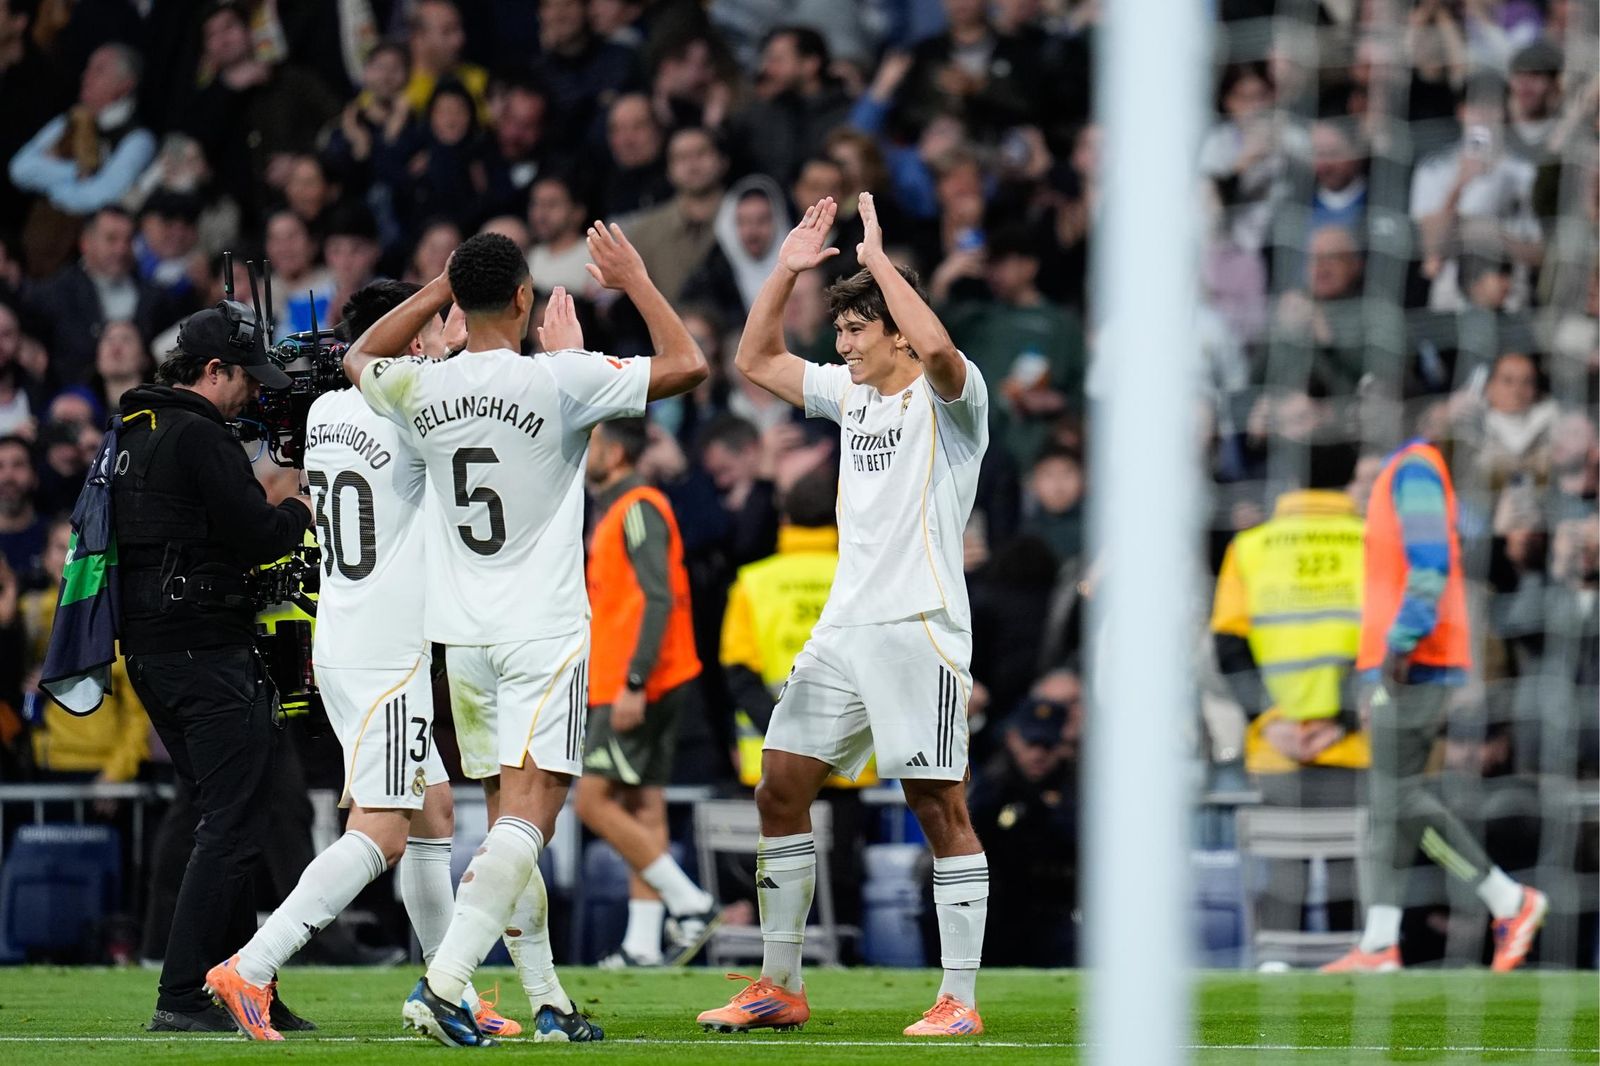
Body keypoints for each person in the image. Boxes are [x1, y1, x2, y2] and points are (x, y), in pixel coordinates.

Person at [341, 228, 706, 1047]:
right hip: (540, 631)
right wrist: (638, 281)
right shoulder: (559, 378)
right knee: (533, 817)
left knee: (509, 814)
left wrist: (437, 289)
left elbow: (358, 355)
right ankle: (444, 984)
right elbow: (689, 365)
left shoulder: (420, 388)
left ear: (459, 301)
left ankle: (548, 1002)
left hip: (460, 639)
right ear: (524, 301)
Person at [696, 193, 990, 1037]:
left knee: (939, 806)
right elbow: (756, 357)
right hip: (843, 630)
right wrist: (787, 269)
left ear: (894, 327)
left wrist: (882, 261)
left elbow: (936, 345)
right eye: (841, 329)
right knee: (779, 787)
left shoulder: (952, 404)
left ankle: (959, 1001)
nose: (843, 344)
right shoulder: (849, 396)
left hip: (919, 627)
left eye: (858, 328)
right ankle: (779, 985)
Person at [201, 281, 514, 1040]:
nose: (450, 337)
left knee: (434, 812)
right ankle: (251, 965)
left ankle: (450, 990)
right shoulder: (411, 406)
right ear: (409, 339)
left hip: (343, 635)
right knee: (384, 830)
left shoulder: (324, 414)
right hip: (388, 649)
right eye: (441, 325)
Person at [109, 300, 313, 1032]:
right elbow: (259, 535)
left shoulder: (133, 431)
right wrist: (301, 511)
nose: (253, 393)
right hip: (206, 649)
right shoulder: (199, 435)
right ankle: (185, 992)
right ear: (213, 370)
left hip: (153, 650)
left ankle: (245, 983)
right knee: (231, 822)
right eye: (244, 378)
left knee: (220, 815)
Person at [1321, 426, 1548, 973]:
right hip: (1401, 660)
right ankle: (1379, 943)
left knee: (1396, 798)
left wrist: (1400, 641)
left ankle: (1509, 901)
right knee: (1386, 806)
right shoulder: (1404, 472)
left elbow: (1429, 566)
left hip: (1415, 659)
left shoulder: (1415, 468)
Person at [1210, 439, 1370, 943]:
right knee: (1353, 879)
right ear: (1349, 477)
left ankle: (1277, 965)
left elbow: (1229, 648)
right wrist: (1339, 719)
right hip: (1353, 742)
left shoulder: (1251, 547)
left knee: (1283, 880)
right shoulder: (1374, 542)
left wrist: (1271, 720)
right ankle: (1355, 975)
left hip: (1277, 745)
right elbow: (1389, 643)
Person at [574, 416, 717, 969]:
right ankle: (641, 942)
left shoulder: (638, 506)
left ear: (613, 451)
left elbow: (658, 600)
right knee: (644, 803)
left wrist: (634, 681)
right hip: (637, 676)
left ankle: (691, 902)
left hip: (634, 680)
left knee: (592, 801)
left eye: (590, 443)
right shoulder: (619, 507)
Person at [8, 42, 154, 277]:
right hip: (37, 239)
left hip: (85, 260)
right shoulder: (70, 121)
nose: (86, 77)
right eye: (88, 69)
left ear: (125, 85)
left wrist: (49, 183)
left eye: (99, 70)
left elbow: (98, 198)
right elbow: (19, 169)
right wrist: (77, 173)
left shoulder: (138, 140)